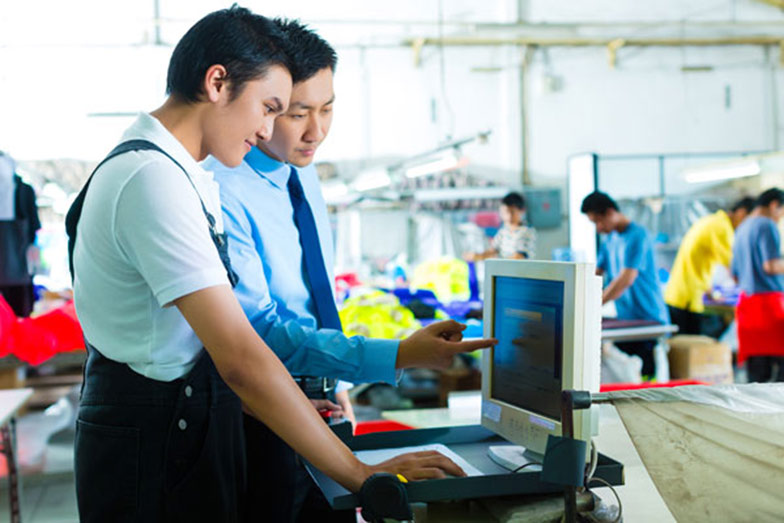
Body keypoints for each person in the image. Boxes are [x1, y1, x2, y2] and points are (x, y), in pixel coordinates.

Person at [67, 8, 493, 522]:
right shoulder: (151, 179)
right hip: (154, 444)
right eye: (271, 108)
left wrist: (278, 407)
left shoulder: (181, 174)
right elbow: (241, 355)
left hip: (187, 422)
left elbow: (192, 344)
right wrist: (361, 474)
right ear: (217, 83)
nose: (268, 129)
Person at [207, 19, 495, 522]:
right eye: (297, 113)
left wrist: (335, 381)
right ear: (263, 106)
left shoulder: (305, 175)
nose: (316, 131)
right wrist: (398, 353)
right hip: (262, 410)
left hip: (322, 400)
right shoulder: (222, 189)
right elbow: (259, 335)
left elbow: (316, 296)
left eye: (327, 108)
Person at [581, 191, 669, 377]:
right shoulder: (609, 240)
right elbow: (596, 274)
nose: (598, 228)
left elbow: (626, 279)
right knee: (628, 377)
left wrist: (594, 305)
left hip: (648, 318)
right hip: (626, 320)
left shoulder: (638, 236)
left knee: (647, 380)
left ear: (610, 212)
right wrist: (580, 297)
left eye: (598, 221)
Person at [664, 197, 755, 339]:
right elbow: (734, 268)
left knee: (685, 345)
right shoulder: (722, 228)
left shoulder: (713, 221)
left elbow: (700, 262)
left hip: (680, 293)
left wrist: (710, 291)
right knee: (691, 346)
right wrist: (753, 293)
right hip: (688, 297)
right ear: (742, 213)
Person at [731, 188, 784, 383]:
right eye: (781, 212)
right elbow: (770, 265)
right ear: (774, 205)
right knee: (780, 374)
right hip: (768, 307)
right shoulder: (767, 224)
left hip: (747, 306)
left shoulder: (741, 228)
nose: (780, 218)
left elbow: (734, 274)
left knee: (756, 377)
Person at [0, 151, 40, 317]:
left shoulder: (24, 191)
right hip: (18, 271)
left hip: (19, 268)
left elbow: (33, 231)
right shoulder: (24, 191)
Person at [464, 192, 536, 261]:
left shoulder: (526, 231)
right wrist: (477, 256)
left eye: (512, 212)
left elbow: (519, 256)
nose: (509, 216)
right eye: (506, 212)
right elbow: (493, 250)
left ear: (522, 211)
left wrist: (500, 265)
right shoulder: (503, 231)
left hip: (519, 269)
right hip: (504, 267)